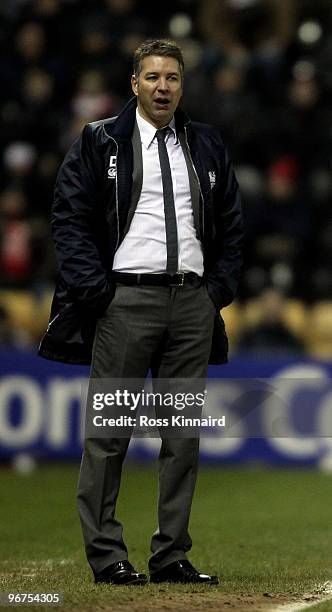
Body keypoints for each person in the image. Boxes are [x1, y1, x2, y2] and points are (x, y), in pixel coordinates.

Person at [39, 39, 243, 586]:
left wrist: (215, 291)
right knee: (109, 433)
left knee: (181, 438)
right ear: (134, 84)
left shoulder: (205, 143)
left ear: (182, 85)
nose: (162, 86)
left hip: (192, 304)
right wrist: (97, 292)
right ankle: (107, 555)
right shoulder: (99, 139)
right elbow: (69, 217)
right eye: (152, 77)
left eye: (171, 77)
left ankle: (171, 553)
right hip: (124, 302)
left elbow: (232, 223)